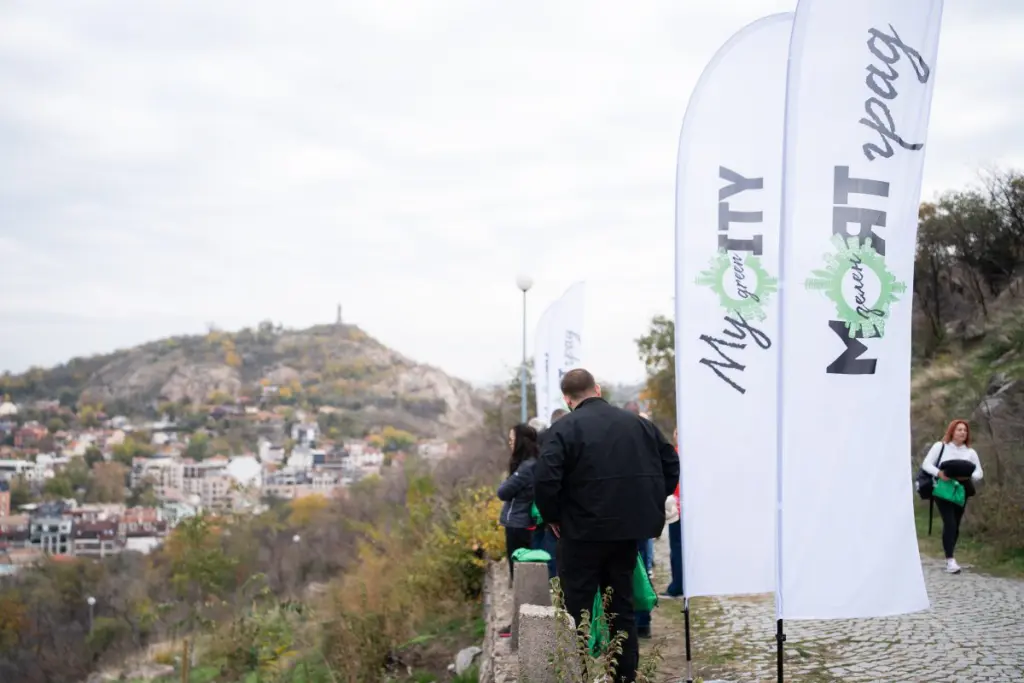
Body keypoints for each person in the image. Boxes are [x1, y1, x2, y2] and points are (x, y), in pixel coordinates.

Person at [535, 369, 679, 683]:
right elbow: (670, 463)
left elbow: (545, 480)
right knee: (621, 609)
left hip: (579, 533)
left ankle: (578, 676)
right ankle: (624, 677)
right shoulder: (638, 424)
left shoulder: (562, 430)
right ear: (597, 389)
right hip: (625, 532)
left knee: (576, 610)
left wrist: (553, 517)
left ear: (567, 399)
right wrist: (649, 501)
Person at [921, 419, 983, 574]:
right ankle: (950, 560)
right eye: (959, 429)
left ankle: (950, 555)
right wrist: (939, 473)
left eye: (965, 430)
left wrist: (970, 476)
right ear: (952, 431)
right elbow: (926, 464)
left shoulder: (970, 452)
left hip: (961, 490)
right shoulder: (940, 446)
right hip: (943, 488)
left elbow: (979, 472)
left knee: (955, 523)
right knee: (949, 522)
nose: (963, 432)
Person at [497, 423, 540, 583]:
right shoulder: (532, 463)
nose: (510, 443)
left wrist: (507, 480)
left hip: (518, 523)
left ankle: (521, 594)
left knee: (518, 566)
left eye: (512, 440)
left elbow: (503, 492)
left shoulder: (526, 468)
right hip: (523, 522)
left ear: (521, 441)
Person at [661, 427, 683, 598]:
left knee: (677, 548)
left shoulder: (675, 454)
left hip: (677, 508)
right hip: (686, 509)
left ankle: (677, 585)